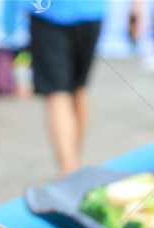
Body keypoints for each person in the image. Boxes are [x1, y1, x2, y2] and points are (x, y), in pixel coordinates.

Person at [28, 0, 105, 175]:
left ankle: (69, 172)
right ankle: (73, 166)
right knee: (79, 88)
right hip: (91, 11)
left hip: (50, 13)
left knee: (57, 93)